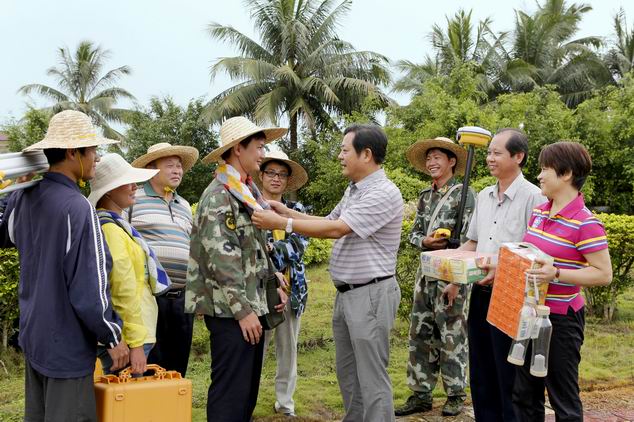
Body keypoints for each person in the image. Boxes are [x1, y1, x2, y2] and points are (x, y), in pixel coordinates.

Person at [253, 124, 404, 422]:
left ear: (366, 154)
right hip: (348, 294)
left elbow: (337, 229)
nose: (339, 156)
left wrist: (281, 223)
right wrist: (284, 211)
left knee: (371, 377)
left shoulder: (383, 193)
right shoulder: (355, 190)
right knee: (349, 373)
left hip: (370, 294)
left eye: (345, 150)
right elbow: (327, 219)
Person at [0, 110, 128, 421]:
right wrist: (112, 335)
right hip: (66, 345)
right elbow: (89, 286)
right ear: (73, 152)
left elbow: (4, 234)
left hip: (35, 336)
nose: (96, 158)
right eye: (92, 150)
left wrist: (16, 185)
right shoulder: (77, 207)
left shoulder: (26, 198)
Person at [186, 116, 288, 422]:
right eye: (259, 147)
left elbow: (253, 248)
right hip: (230, 312)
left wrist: (274, 279)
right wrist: (243, 311)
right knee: (230, 394)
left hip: (249, 306)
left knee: (245, 393)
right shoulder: (219, 196)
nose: (262, 154)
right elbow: (223, 259)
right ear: (237, 149)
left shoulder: (246, 192)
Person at [513, 142, 612, 421]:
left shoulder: (586, 223)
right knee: (524, 394)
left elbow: (603, 274)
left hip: (561, 321)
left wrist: (556, 273)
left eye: (545, 169)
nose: (539, 175)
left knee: (563, 399)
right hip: (530, 313)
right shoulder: (539, 212)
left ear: (566, 173)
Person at [459, 128, 545, 421]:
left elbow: (536, 253)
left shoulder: (534, 197)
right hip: (481, 293)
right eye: (488, 153)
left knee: (510, 374)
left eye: (497, 153)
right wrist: (452, 268)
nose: (489, 158)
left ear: (518, 156)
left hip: (513, 297)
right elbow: (473, 243)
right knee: (481, 371)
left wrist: (503, 267)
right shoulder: (484, 195)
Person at [395, 137, 476, 417]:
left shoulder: (465, 195)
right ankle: (421, 394)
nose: (431, 162)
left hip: (453, 274)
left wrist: (457, 282)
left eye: (437, 157)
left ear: (451, 161)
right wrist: (425, 241)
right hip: (426, 273)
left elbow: (470, 239)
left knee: (452, 335)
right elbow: (414, 234)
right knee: (421, 334)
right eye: (428, 158)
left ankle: (455, 394)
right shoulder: (425, 196)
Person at [89, 153, 171, 376]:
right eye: (127, 182)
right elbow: (122, 288)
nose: (135, 186)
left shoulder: (118, 225)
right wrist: (135, 343)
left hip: (134, 332)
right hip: (129, 337)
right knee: (125, 395)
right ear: (109, 190)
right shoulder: (110, 229)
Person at [130, 142, 199, 376]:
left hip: (182, 298)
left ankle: (173, 400)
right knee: (150, 366)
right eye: (170, 165)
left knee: (177, 367)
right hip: (150, 298)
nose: (177, 171)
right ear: (151, 169)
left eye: (179, 166)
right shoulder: (133, 199)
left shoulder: (184, 205)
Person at [258, 150, 310, 417]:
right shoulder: (252, 207)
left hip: (293, 291)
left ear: (288, 180)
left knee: (288, 351)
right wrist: (269, 251)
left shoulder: (297, 211)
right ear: (261, 176)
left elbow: (299, 246)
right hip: (259, 291)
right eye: (271, 172)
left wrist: (270, 249)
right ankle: (247, 401)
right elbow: (254, 250)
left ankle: (285, 405)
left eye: (282, 174)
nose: (276, 178)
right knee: (255, 351)